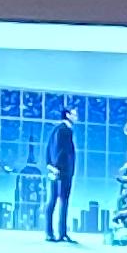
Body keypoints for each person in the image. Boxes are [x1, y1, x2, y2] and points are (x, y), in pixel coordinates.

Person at [47, 102, 77, 245]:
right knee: (59, 200)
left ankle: (58, 232)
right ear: (67, 115)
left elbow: (49, 148)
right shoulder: (63, 130)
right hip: (61, 171)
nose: (76, 117)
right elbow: (60, 150)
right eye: (74, 114)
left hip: (60, 170)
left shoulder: (59, 129)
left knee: (58, 200)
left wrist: (50, 165)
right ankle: (56, 233)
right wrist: (56, 167)